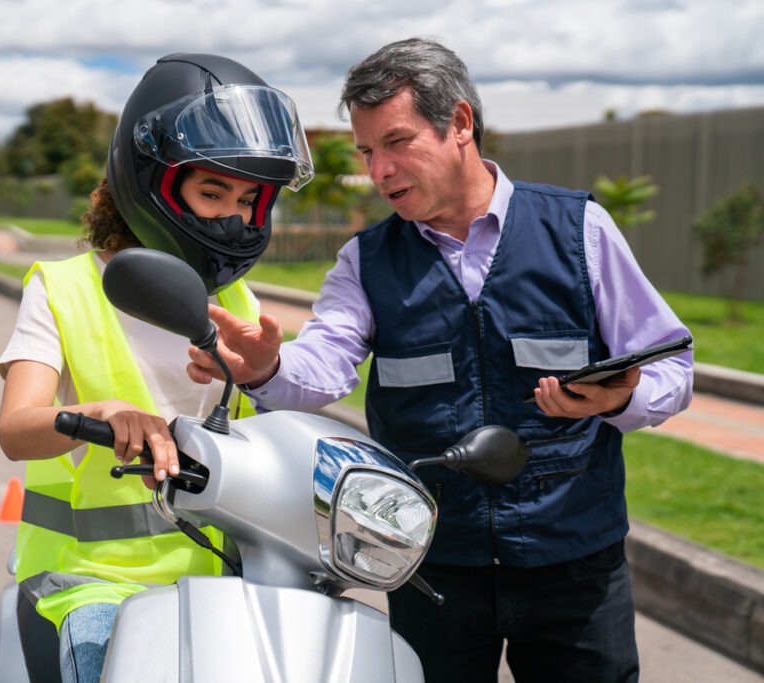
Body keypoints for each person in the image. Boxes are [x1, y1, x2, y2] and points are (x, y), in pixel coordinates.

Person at [187, 38, 693, 683]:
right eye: (368, 151)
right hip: (430, 569)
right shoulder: (364, 261)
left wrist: (621, 397)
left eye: (397, 143)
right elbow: (324, 362)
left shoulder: (580, 230)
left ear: (459, 124)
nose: (379, 171)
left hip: (576, 566)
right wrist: (265, 370)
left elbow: (673, 367)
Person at [0, 52, 312, 683]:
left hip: (228, 576)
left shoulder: (235, 304)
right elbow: (16, 429)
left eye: (250, 198)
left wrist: (266, 376)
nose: (235, 216)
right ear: (152, 184)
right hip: (95, 583)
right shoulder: (63, 290)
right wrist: (102, 413)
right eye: (213, 191)